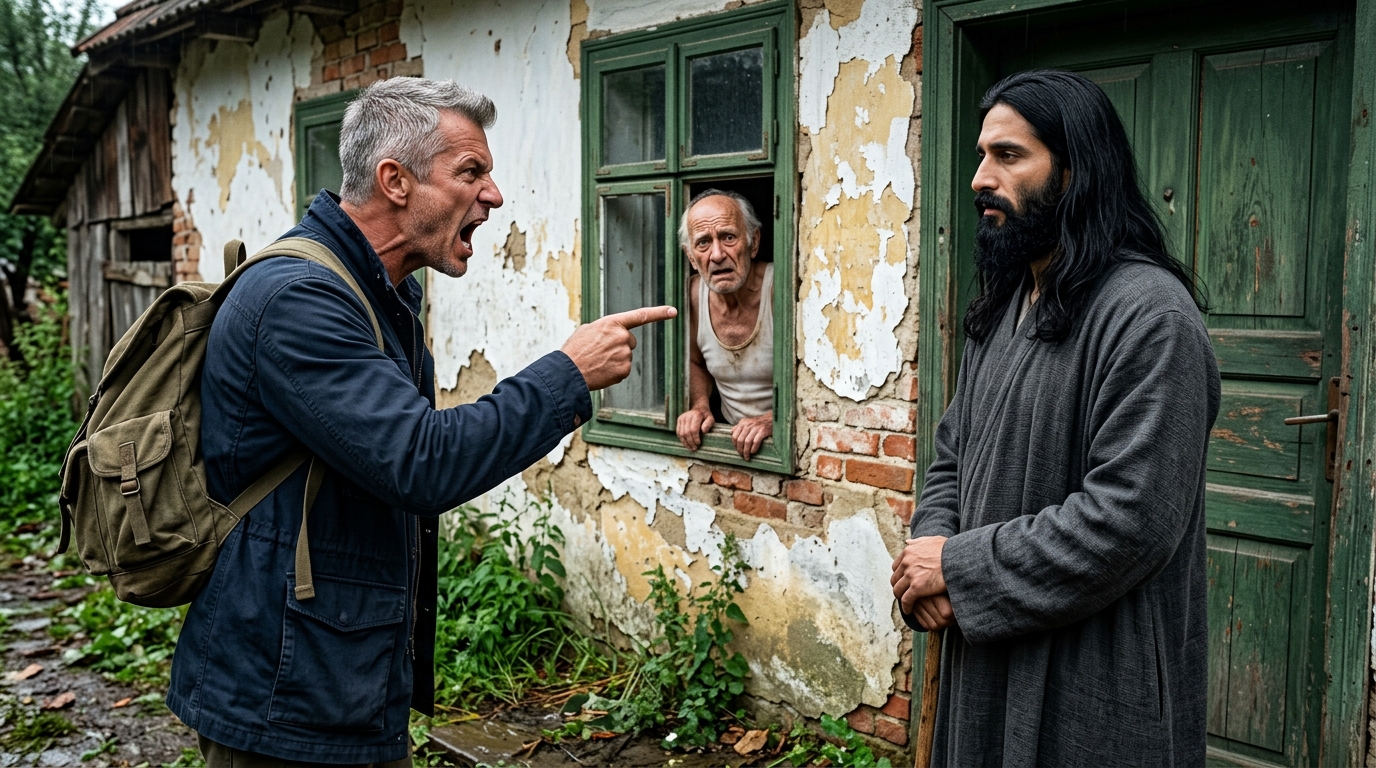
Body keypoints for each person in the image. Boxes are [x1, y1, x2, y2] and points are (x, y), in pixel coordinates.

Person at [165, 77, 674, 765]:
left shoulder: (376, 292)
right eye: (471, 173)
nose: (493, 196)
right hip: (283, 697)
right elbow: (421, 461)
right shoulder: (299, 302)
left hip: (337, 682)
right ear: (395, 180)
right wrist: (569, 373)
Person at [889, 69, 1219, 766]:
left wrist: (959, 566)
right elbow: (951, 454)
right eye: (982, 155)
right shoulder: (1008, 301)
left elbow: (1129, 520)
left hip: (1093, 677)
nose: (981, 177)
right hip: (986, 658)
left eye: (1009, 156)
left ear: (1075, 170)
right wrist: (932, 555)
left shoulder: (1150, 317)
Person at [674, 190, 774, 461]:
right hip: (728, 443)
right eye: (703, 243)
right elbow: (696, 362)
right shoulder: (693, 295)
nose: (717, 254)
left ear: (753, 243)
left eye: (728, 237)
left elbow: (812, 387)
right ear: (692, 258)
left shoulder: (779, 288)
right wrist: (700, 405)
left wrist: (772, 421)